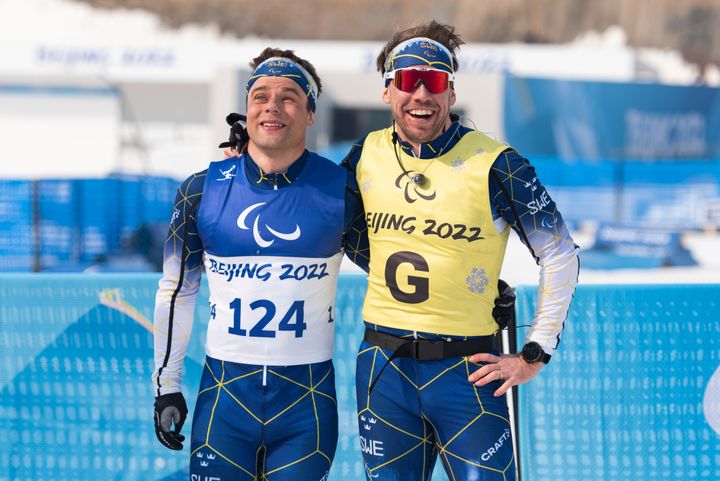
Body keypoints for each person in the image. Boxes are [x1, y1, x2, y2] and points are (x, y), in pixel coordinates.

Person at [341, 21, 580, 481]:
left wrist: (534, 353)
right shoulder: (365, 153)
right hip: (383, 370)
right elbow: (316, 216)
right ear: (388, 91)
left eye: (436, 82)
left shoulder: (496, 163)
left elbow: (560, 254)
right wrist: (246, 157)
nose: (422, 95)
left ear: (451, 93)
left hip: (468, 373)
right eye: (410, 81)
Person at [151, 47, 369, 481]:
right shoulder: (202, 189)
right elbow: (176, 293)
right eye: (260, 96)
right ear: (247, 111)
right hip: (224, 403)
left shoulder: (340, 190)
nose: (272, 105)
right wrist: (167, 386)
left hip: (305, 407)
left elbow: (397, 268)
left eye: (289, 96)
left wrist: (474, 289)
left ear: (310, 113)